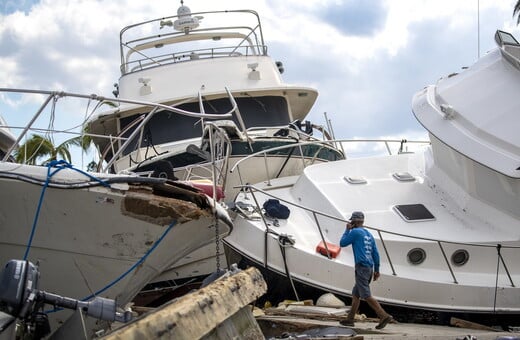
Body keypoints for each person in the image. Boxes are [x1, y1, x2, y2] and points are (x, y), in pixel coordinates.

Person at [339, 211, 393, 329]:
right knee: (356, 294)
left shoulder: (355, 232)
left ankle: (383, 315)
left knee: (366, 295)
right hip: (369, 267)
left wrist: (347, 230)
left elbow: (342, 243)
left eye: (351, 221)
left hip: (362, 267)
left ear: (354, 221)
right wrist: (377, 270)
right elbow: (375, 253)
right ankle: (350, 319)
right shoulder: (368, 234)